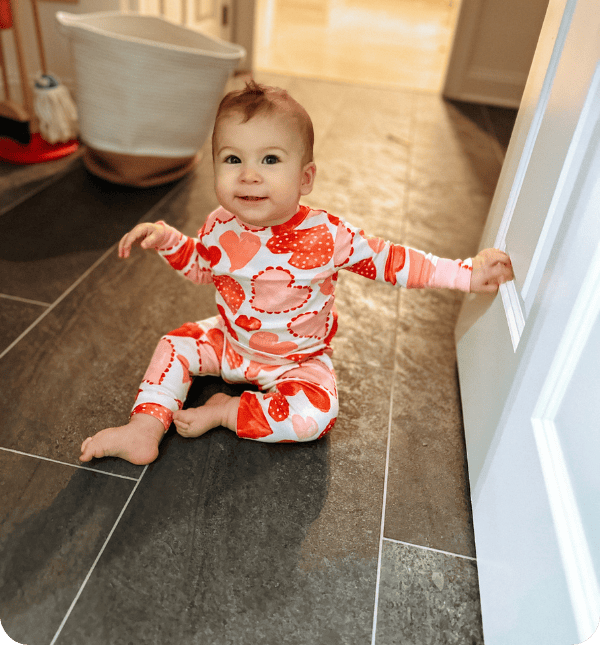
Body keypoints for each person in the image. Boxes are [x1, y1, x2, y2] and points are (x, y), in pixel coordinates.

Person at [80, 81, 513, 465]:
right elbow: (202, 268)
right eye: (232, 159)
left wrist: (465, 273)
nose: (249, 175)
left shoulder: (327, 234)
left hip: (296, 360)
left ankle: (227, 412)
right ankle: (144, 428)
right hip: (229, 343)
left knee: (315, 416)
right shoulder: (218, 224)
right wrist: (169, 242)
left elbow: (392, 262)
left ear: (305, 178)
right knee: (174, 345)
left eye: (270, 159)